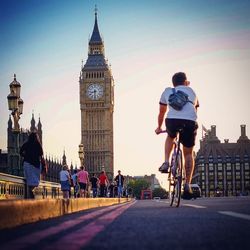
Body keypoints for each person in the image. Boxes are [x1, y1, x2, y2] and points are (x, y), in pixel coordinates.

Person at [155, 72, 199, 198]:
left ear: (173, 83)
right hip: (190, 122)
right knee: (188, 153)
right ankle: (187, 185)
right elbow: (195, 110)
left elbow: (161, 113)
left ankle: (166, 162)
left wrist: (159, 127)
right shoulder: (192, 91)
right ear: (185, 82)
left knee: (170, 136)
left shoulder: (168, 91)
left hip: (172, 120)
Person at [20, 132, 44, 199]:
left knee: (28, 180)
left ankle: (30, 194)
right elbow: (41, 153)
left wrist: (26, 156)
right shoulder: (38, 144)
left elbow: (20, 152)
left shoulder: (26, 144)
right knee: (34, 181)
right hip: (36, 165)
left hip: (27, 164)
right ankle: (31, 192)